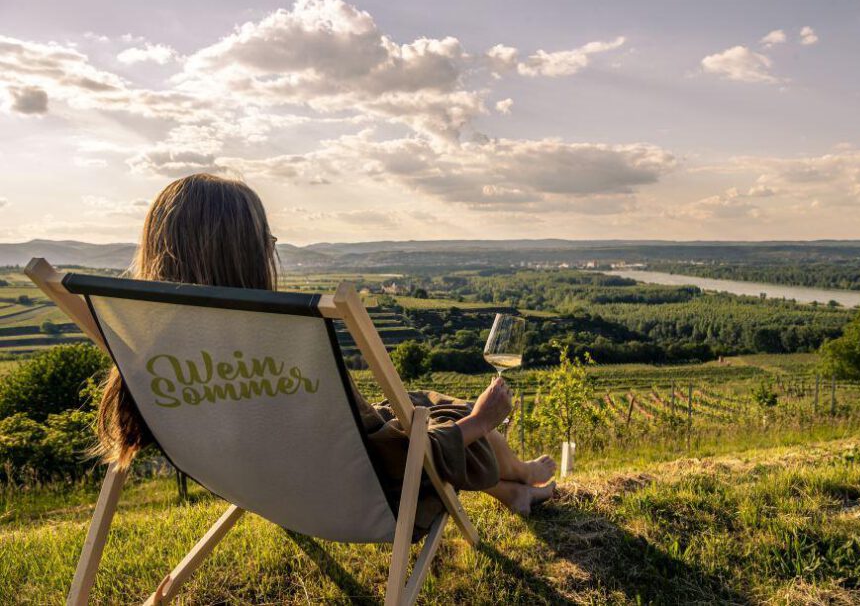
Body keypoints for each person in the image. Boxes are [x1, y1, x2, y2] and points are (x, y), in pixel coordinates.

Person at [95, 174, 555, 536]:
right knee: (450, 423)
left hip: (266, 488)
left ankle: (515, 489)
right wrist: (480, 421)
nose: (273, 248)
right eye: (266, 240)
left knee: (420, 406)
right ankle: (519, 476)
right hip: (367, 500)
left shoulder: (157, 357)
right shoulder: (284, 352)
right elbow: (396, 461)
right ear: (244, 255)